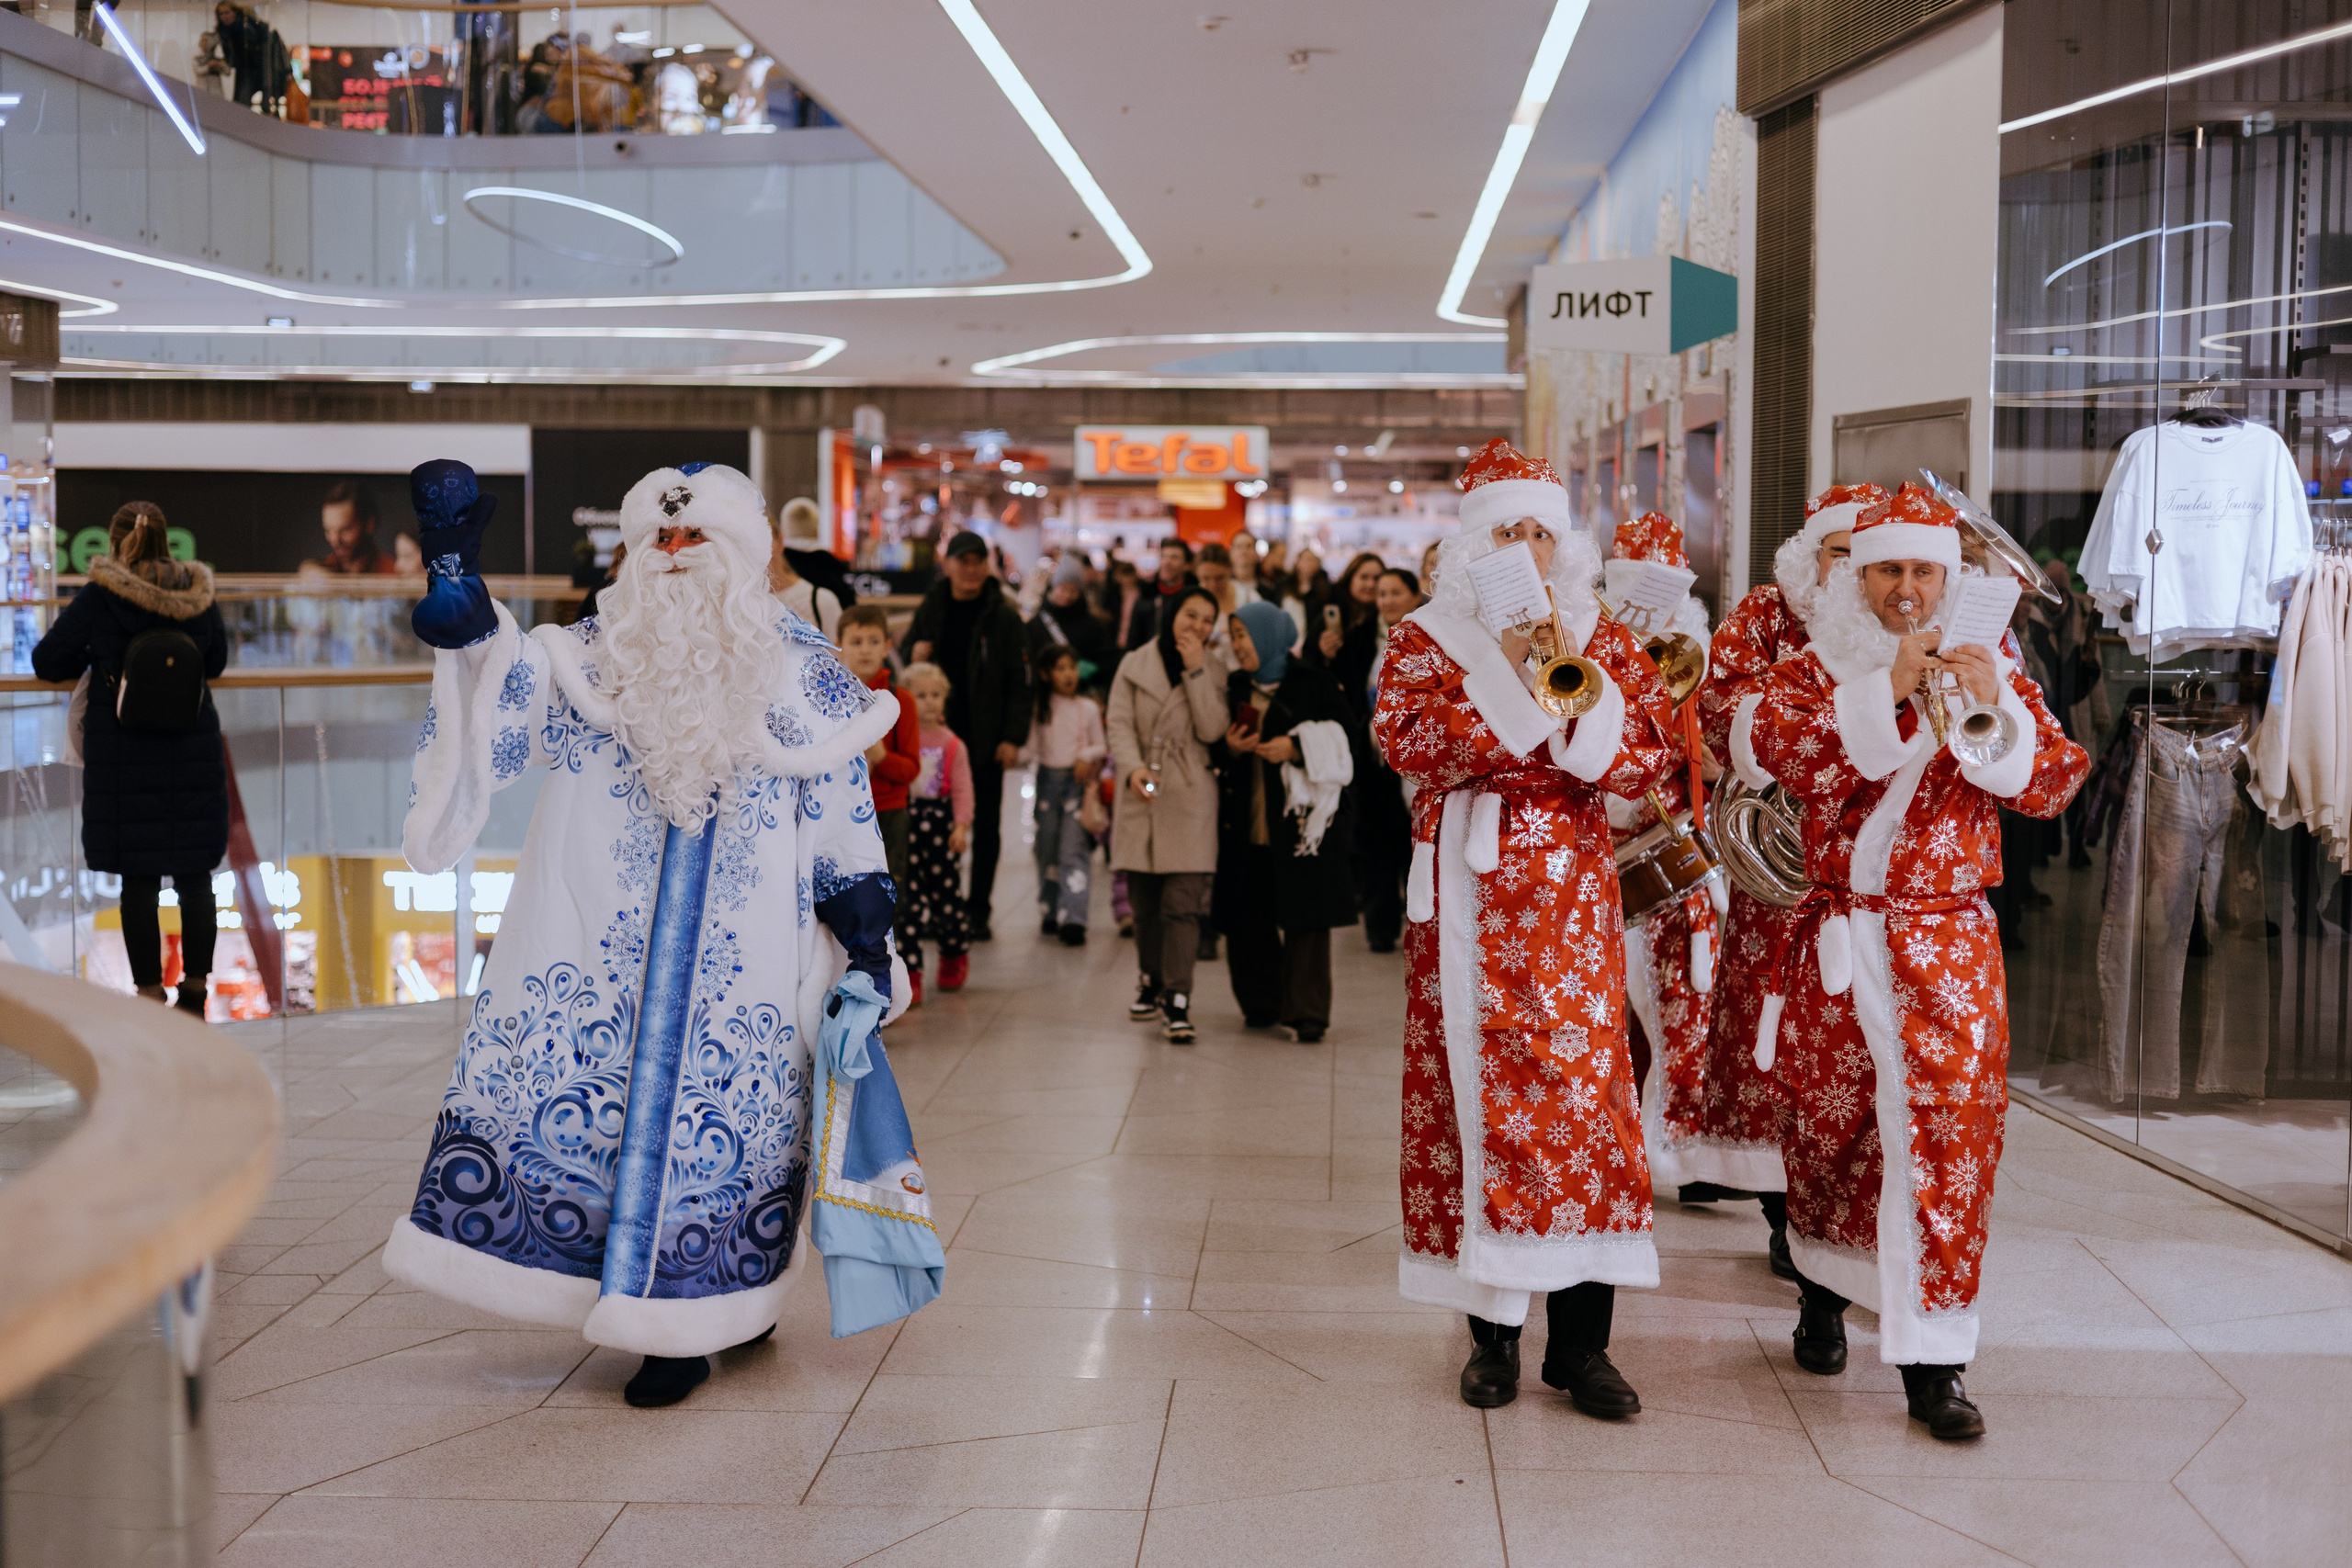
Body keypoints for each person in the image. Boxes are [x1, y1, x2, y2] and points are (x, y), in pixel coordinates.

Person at [385, 459, 940, 1410]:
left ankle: (715, 1311)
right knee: (592, 1125)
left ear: (743, 553)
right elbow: (502, 701)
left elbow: (845, 807)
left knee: (730, 1139)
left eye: (695, 539)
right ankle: (649, 1318)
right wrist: (462, 600)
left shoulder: (803, 669)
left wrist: (865, 929)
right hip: (600, 946)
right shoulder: (595, 654)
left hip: (746, 966)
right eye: (659, 540)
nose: (675, 557)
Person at [1745, 482, 2088, 1441]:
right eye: (1887, 568)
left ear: (1949, 576)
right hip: (1839, 937)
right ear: (1858, 576)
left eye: (1921, 570)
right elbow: (1780, 752)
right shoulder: (1814, 669)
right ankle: (1821, 1288)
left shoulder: (1995, 665)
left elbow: (2054, 784)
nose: (1905, 587)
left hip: (1947, 941)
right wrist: (1887, 688)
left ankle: (1937, 1359)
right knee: (1828, 1126)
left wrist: (1996, 716)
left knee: (1953, 1135)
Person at [1371, 437, 1679, 1418]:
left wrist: (1565, 678)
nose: (1525, 547)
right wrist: (1501, 678)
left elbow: (1646, 757)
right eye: (1507, 531)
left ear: (1564, 547)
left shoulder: (1604, 637)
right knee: (1476, 1103)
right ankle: (1492, 1339)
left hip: (1571, 909)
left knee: (1588, 1102)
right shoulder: (1427, 637)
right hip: (1465, 898)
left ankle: (1581, 1347)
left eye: (1540, 531)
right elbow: (1401, 737)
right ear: (1473, 546)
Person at [1692, 484, 1885, 1273]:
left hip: (1869, 873)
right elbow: (1721, 703)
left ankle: (1849, 1217)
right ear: (1814, 558)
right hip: (1776, 861)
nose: (1854, 573)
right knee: (1771, 1033)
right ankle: (1781, 1207)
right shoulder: (1767, 613)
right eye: (1842, 554)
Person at [33, 502, 229, 1018]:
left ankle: (147, 994)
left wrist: (100, 654)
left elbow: (47, 660)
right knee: (194, 877)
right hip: (192, 750)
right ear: (168, 542)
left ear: (116, 543)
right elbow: (218, 660)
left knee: (138, 880)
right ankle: (195, 989)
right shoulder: (197, 593)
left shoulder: (103, 595)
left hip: (124, 756)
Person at [1594, 513, 1724, 1218]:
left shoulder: (1695, 661)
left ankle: (1683, 1145)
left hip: (1684, 866)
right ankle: (1631, 1139)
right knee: (1621, 1011)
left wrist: (1715, 761)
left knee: (1688, 1004)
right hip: (1614, 860)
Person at [1212, 602, 1358, 1041]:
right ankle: (1261, 1001)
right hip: (1248, 818)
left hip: (1301, 823)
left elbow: (1348, 734)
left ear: (1269, 637)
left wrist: (1296, 748)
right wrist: (1231, 748)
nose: (1237, 646)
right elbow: (1211, 750)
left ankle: (1307, 1010)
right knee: (1248, 911)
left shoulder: (1312, 682)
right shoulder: (1233, 686)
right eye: (1234, 636)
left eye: (1243, 636)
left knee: (1306, 915)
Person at [1106, 585, 1227, 1043]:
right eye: (1189, 615)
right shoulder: (1133, 663)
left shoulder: (1213, 669)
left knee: (1183, 904)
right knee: (1145, 903)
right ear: (1173, 614)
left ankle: (1177, 996)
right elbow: (1118, 721)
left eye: (1206, 620)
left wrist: (1196, 669)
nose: (1196, 626)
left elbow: (1213, 728)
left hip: (1189, 792)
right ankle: (1151, 978)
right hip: (1142, 791)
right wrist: (1132, 766)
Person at [904, 530, 1029, 941]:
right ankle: (940, 910)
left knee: (985, 824)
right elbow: (909, 665)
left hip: (985, 737)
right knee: (933, 828)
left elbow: (1019, 681)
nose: (971, 569)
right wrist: (914, 654)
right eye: (964, 560)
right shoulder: (932, 607)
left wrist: (1012, 736)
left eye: (978, 561)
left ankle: (977, 910)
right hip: (933, 739)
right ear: (949, 564)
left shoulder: (1003, 616)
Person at [839, 604, 923, 998]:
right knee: (854, 895)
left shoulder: (898, 700)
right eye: (855, 641)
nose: (865, 650)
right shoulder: (830, 695)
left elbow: (911, 770)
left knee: (895, 894)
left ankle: (906, 973)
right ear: (838, 646)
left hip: (888, 813)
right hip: (843, 815)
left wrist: (881, 758)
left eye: (874, 641)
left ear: (888, 646)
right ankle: (860, 975)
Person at [1342, 568, 1418, 951]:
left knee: (1412, 842)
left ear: (1414, 594)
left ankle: (1417, 921)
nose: (1386, 600)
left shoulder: (1428, 636)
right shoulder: (1360, 639)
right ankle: (1379, 926)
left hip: (1415, 760)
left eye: (1395, 592)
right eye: (1381, 593)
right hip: (1372, 760)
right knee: (1375, 843)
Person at [1023, 645, 1107, 944]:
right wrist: (1012, 754)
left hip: (1076, 784)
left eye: (1071, 667)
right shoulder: (1040, 709)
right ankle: (1049, 909)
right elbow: (1032, 748)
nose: (1068, 674)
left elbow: (1102, 745)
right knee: (1046, 849)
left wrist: (1085, 755)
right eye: (1060, 668)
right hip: (1047, 783)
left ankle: (1074, 917)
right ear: (1046, 674)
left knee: (1073, 849)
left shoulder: (1087, 708)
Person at [899, 662, 975, 992]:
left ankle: (954, 953)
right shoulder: (902, 739)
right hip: (908, 826)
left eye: (936, 695)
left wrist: (961, 826)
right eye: (921, 695)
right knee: (908, 901)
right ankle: (909, 970)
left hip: (941, 828)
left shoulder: (952, 744)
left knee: (947, 897)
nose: (929, 702)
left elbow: (962, 789)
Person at [1027, 554, 1114, 694]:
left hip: (1081, 694)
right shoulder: (1036, 624)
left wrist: (1093, 670)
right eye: (1062, 589)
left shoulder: (1093, 625)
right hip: (1045, 696)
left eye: (1073, 590)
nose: (1067, 595)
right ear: (1054, 587)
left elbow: (1107, 659)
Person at [770, 508, 842, 642]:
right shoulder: (735, 605)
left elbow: (839, 658)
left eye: (763, 537)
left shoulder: (822, 601)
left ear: (780, 541)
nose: (755, 547)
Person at [301, 480, 403, 577]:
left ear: (369, 524)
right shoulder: (317, 574)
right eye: (328, 531)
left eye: (345, 530)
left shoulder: (392, 573)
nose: (335, 540)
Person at [778, 497, 859, 615]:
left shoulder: (775, 569)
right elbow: (849, 611)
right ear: (817, 528)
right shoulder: (832, 569)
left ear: (782, 529)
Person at [1308, 551, 1384, 667]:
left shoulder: (1386, 619)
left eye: (1377, 578)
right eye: (1364, 577)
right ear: (1350, 579)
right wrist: (1323, 656)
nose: (1371, 584)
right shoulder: (1331, 613)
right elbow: (1307, 658)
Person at [1125, 536, 1197, 651]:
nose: (1167, 562)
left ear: (1187, 565)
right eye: (1163, 556)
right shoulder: (1146, 596)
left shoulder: (1195, 598)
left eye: (1174, 557)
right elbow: (1133, 639)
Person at [1226, 533, 1262, 605]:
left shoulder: (1268, 591)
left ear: (1256, 553)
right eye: (1238, 546)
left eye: (1248, 546)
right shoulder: (1222, 588)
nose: (1243, 551)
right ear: (1231, 552)